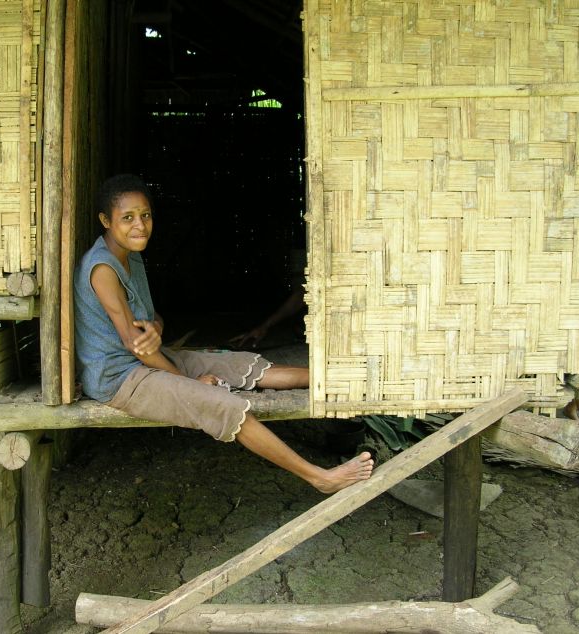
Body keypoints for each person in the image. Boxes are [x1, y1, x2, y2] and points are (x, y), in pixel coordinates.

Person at [74, 174, 373, 494]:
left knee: (236, 364)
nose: (140, 226)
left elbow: (151, 321)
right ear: (105, 220)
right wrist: (188, 383)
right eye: (128, 218)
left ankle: (338, 379)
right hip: (119, 379)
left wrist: (157, 328)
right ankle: (319, 477)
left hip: (142, 361)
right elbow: (138, 348)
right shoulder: (103, 269)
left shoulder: (130, 255)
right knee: (220, 403)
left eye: (145, 215)